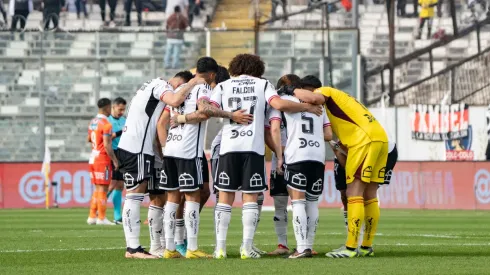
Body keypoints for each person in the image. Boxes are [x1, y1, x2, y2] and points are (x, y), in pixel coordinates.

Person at [192, 53, 322, 259]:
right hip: (252, 149)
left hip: (228, 147)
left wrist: (230, 115)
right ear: (257, 68)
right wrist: (306, 106)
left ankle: (220, 249)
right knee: (250, 198)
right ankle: (246, 247)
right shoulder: (262, 84)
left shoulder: (224, 86)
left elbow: (205, 108)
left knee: (225, 198)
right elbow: (278, 105)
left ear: (235, 67)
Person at [288, 85, 388, 258]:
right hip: (380, 138)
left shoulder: (323, 91)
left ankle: (350, 248)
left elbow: (315, 99)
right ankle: (366, 246)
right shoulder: (343, 99)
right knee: (370, 194)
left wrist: (291, 90)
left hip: (363, 139)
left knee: (354, 192)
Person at [116, 71, 206, 259]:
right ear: (178, 82)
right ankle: (133, 248)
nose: (181, 92)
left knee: (154, 196)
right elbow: (174, 100)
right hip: (137, 148)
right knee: (134, 196)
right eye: (180, 87)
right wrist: (192, 84)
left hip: (141, 148)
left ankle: (154, 246)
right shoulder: (160, 85)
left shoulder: (150, 87)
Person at [269, 81, 332, 259]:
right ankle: (309, 246)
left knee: (297, 201)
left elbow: (274, 128)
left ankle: (301, 248)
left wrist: (280, 157)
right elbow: (328, 134)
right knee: (312, 202)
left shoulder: (282, 100)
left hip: (297, 154)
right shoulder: (319, 105)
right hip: (318, 155)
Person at [264, 74, 300, 256]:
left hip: (282, 158)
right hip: (298, 157)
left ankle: (282, 244)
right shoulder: (302, 105)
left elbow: (269, 132)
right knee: (303, 203)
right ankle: (305, 244)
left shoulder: (273, 105)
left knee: (280, 204)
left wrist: (280, 153)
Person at [86, 98, 119, 226]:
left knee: (97, 188)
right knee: (103, 188)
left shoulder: (93, 122)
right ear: (106, 108)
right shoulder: (106, 124)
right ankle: (102, 218)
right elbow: (107, 145)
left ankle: (92, 216)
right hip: (102, 159)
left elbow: (89, 138)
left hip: (93, 157)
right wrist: (114, 160)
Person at [107, 97, 126, 225]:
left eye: (123, 109)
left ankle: (117, 216)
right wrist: (122, 131)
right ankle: (98, 210)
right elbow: (111, 136)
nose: (121, 112)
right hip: (112, 153)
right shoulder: (107, 121)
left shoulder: (125, 120)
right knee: (111, 184)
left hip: (123, 153)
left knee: (120, 185)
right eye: (120, 109)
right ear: (113, 107)